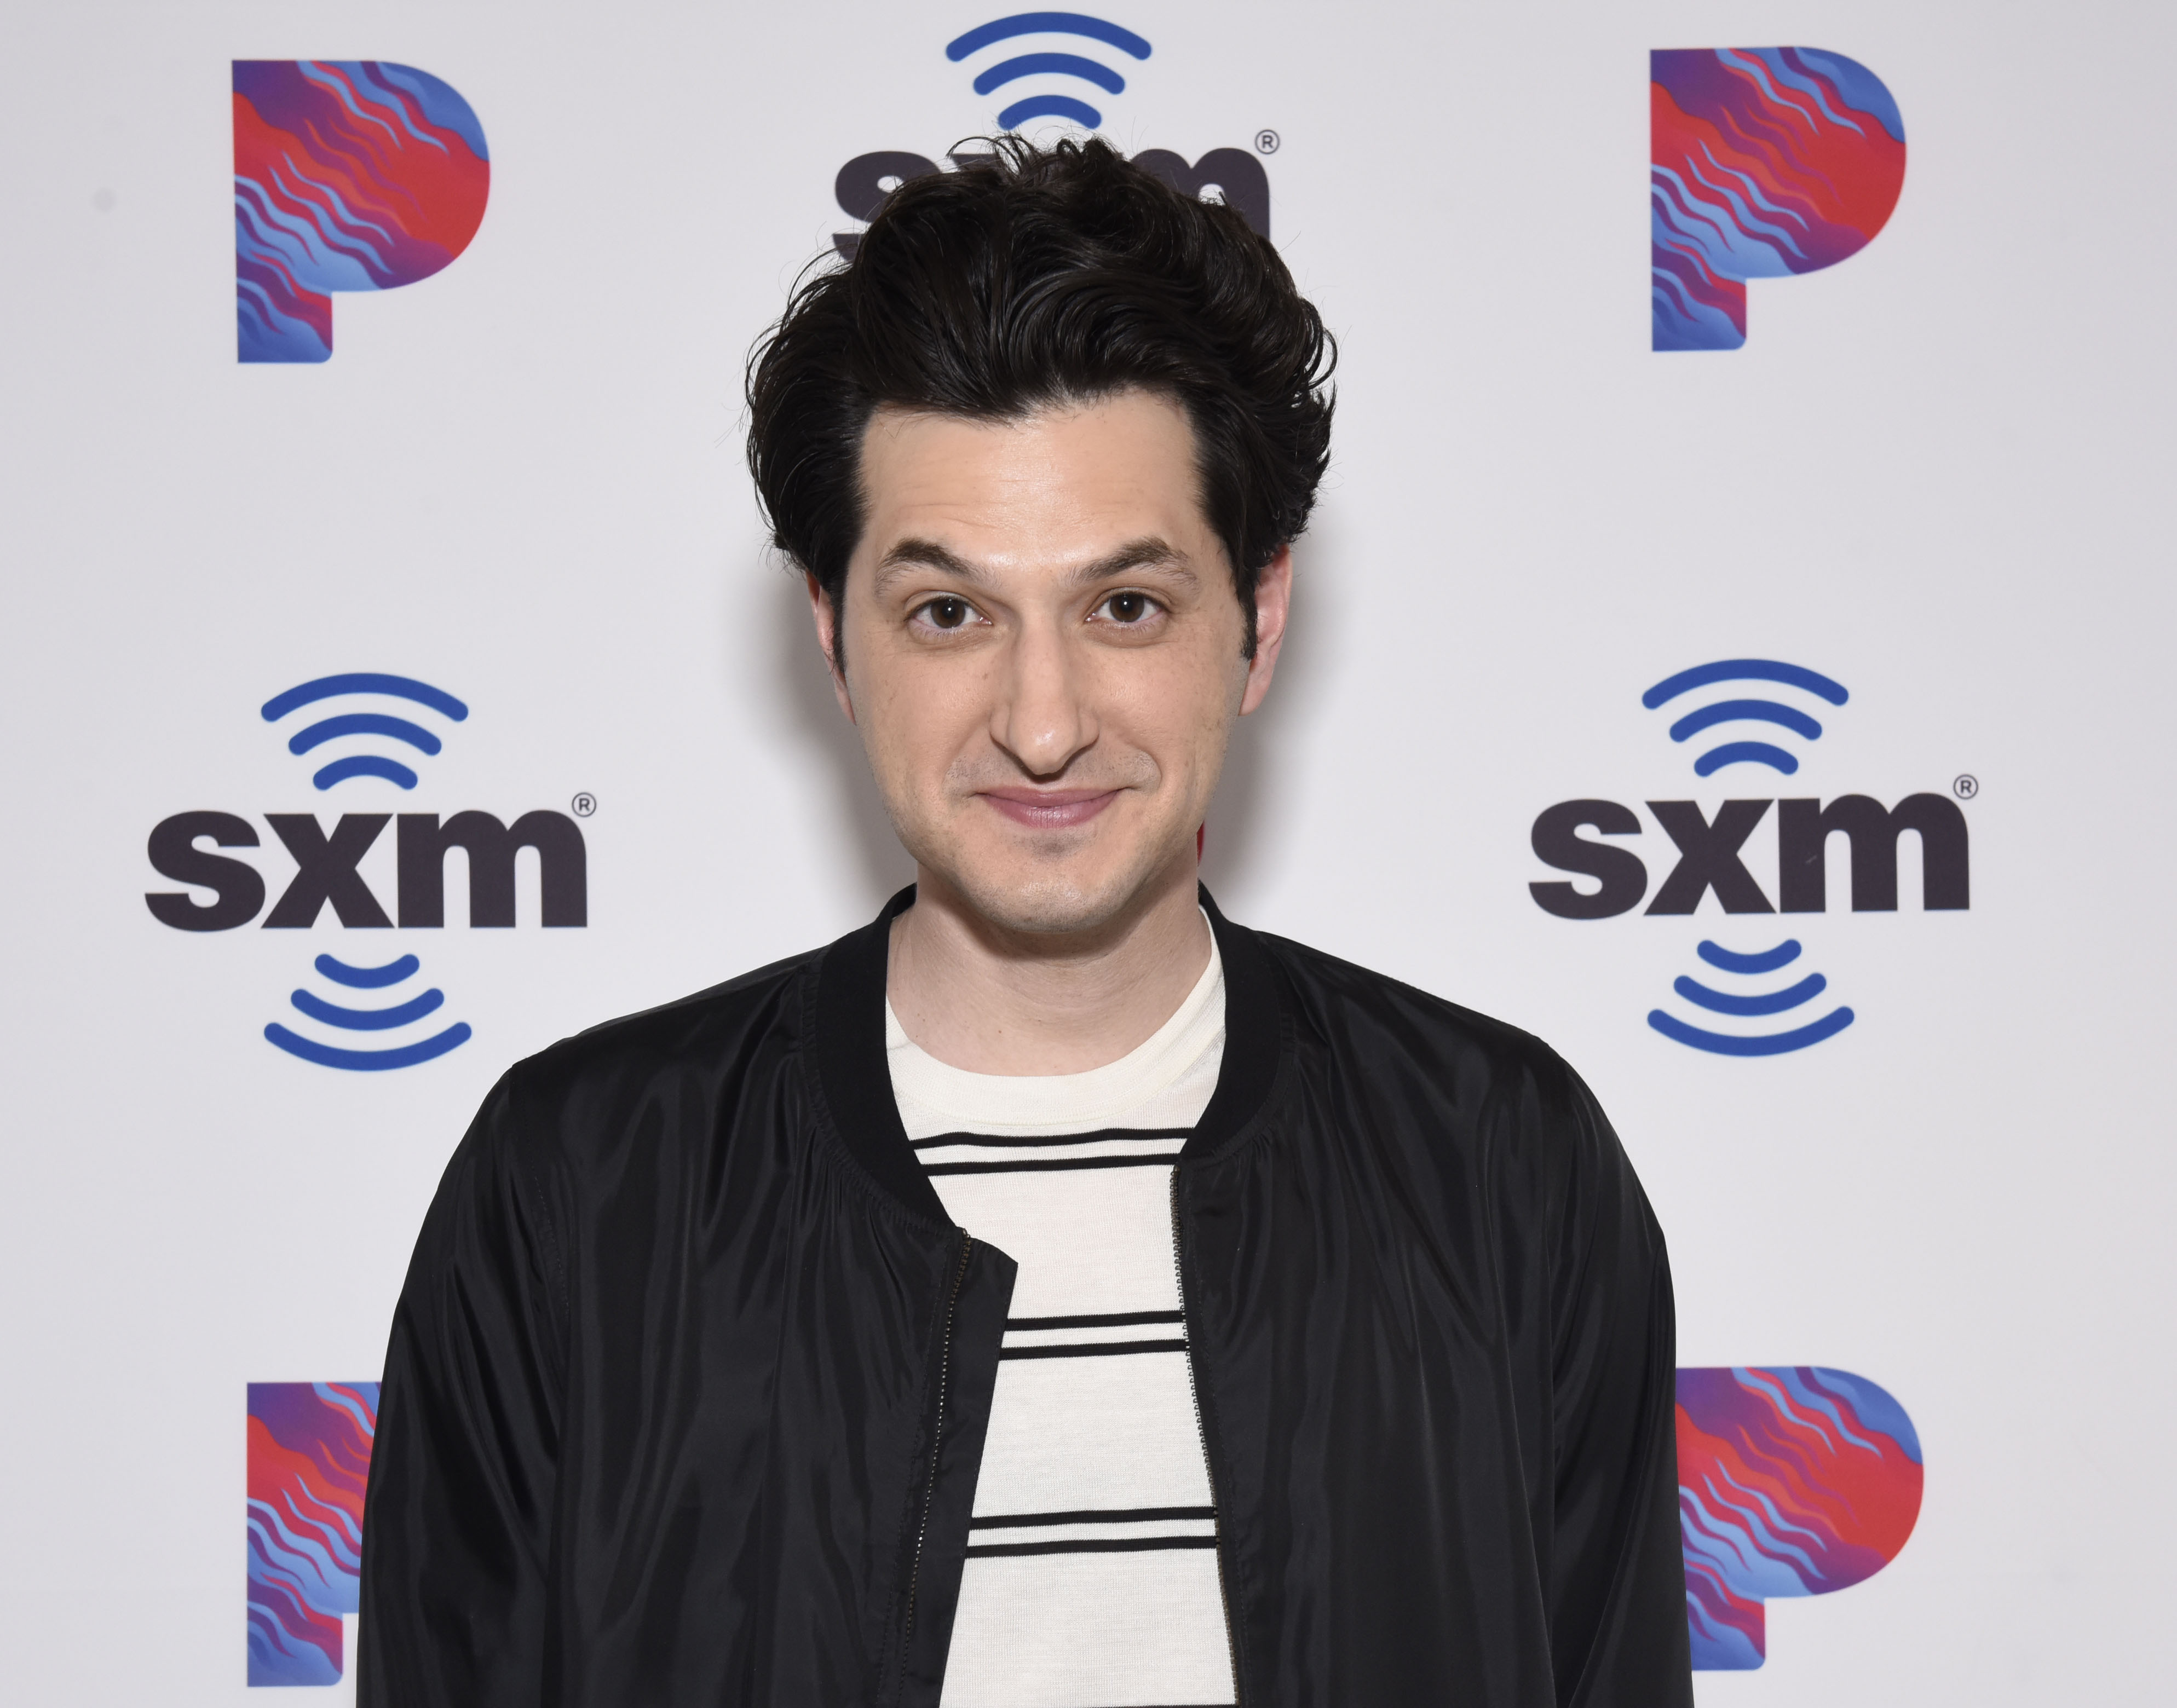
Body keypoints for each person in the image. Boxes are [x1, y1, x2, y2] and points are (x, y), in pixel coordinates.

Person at [358, 135, 1691, 1708]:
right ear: (834, 640)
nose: (1042, 722)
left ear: (1259, 622)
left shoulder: (1499, 1161)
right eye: (949, 613)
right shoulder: (581, 1184)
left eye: (1125, 606)